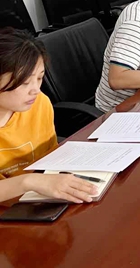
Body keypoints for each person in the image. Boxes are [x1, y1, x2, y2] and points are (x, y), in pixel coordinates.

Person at [0, 29, 97, 203]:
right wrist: (28, 182)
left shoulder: (39, 103)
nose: (36, 90)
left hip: (40, 199)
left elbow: (50, 157)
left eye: (39, 78)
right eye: (25, 82)